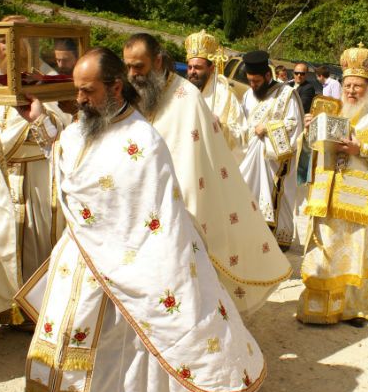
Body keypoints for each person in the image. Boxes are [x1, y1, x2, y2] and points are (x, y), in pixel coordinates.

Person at [12, 48, 265, 392]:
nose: (79, 100)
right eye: (78, 91)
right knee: (67, 331)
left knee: (109, 337)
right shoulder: (86, 124)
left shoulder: (142, 139)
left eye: (88, 91)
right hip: (83, 249)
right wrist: (42, 123)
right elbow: (67, 161)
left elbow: (151, 213)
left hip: (121, 257)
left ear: (115, 87)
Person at [122, 33, 291, 314]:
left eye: (139, 67)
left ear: (159, 61)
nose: (133, 74)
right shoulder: (137, 94)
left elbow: (199, 161)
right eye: (128, 67)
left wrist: (220, 129)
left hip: (182, 200)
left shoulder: (187, 98)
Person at [0, 16, 71, 325]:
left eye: (17, 37)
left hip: (37, 176)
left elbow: (65, 129)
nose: (9, 45)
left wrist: (39, 118)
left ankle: (43, 314)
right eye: (3, 39)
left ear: (32, 42)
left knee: (40, 246)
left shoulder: (50, 82)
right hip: (0, 178)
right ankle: (7, 310)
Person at [297, 44, 368, 325]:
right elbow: (313, 149)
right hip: (328, 193)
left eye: (358, 86)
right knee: (326, 250)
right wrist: (310, 129)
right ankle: (321, 308)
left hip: (361, 200)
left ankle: (355, 309)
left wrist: (364, 150)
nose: (352, 91)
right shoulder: (331, 111)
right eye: (348, 85)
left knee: (356, 253)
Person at [239, 50, 305, 251]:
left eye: (257, 81)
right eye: (250, 80)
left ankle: (279, 240)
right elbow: (243, 124)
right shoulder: (248, 95)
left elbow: (294, 124)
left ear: (268, 76)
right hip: (250, 156)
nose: (253, 85)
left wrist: (268, 128)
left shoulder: (286, 95)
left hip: (275, 161)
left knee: (278, 196)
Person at [185, 30, 247, 159]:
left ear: (211, 68)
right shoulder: (184, 91)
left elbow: (242, 136)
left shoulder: (225, 95)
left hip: (212, 160)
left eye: (197, 67)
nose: (192, 72)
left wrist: (220, 126)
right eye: (190, 67)